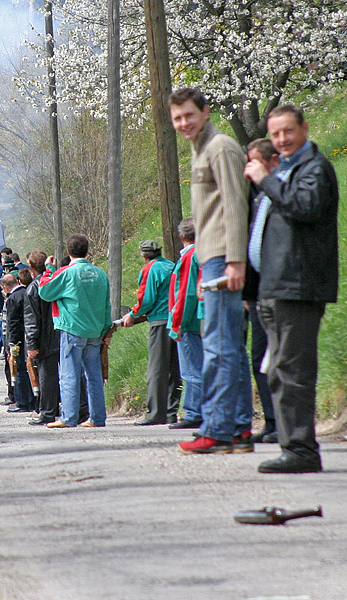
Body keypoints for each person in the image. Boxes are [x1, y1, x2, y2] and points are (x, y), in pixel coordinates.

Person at [244, 104, 338, 473]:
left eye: (288, 132)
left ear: (304, 128)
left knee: (293, 371)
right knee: (279, 370)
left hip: (297, 287)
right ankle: (292, 444)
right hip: (273, 288)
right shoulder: (284, 170)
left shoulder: (314, 169)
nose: (282, 139)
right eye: (276, 133)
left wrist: (266, 180)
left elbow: (306, 206)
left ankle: (301, 450)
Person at [169, 88, 253, 454]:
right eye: (177, 119)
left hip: (223, 255)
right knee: (228, 344)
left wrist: (236, 260)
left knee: (218, 347)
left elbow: (236, 205)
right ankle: (238, 428)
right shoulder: (200, 149)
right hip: (212, 259)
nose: (183, 123)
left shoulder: (221, 147)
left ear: (204, 111)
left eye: (189, 115)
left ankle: (217, 429)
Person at [40, 234, 113, 428]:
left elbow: (45, 292)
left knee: (69, 375)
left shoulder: (66, 273)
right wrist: (106, 331)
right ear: (87, 250)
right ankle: (98, 418)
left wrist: (48, 269)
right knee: (94, 376)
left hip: (72, 330)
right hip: (95, 331)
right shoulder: (100, 274)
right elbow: (107, 305)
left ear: (68, 252)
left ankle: (69, 417)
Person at [122, 240, 181, 426]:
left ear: (143, 255)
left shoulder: (149, 270)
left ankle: (155, 414)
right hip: (176, 321)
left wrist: (132, 315)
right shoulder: (172, 265)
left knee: (156, 369)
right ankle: (171, 412)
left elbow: (146, 299)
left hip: (159, 323)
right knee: (174, 369)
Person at [244, 138, 279, 444]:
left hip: (278, 288)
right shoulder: (257, 195)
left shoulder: (278, 189)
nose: (248, 168)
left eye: (253, 162)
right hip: (257, 291)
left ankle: (282, 421)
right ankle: (270, 420)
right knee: (259, 357)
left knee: (278, 357)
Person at [167, 218, 205, 430]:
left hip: (188, 323)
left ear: (181, 236)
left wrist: (177, 322)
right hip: (201, 319)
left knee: (191, 368)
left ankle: (193, 411)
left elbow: (185, 293)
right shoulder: (202, 254)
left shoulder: (189, 257)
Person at [24, 251, 61, 425]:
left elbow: (31, 319)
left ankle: (47, 412)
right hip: (62, 334)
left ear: (31, 266)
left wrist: (31, 343)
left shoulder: (33, 287)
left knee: (47, 376)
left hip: (45, 339)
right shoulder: (56, 280)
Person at [2, 273, 36, 413]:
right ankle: (32, 399)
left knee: (19, 370)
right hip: (29, 337)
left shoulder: (12, 299)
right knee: (29, 370)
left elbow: (12, 323)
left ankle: (23, 402)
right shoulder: (26, 292)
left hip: (18, 340)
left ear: (5, 287)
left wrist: (11, 343)